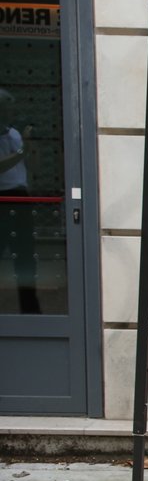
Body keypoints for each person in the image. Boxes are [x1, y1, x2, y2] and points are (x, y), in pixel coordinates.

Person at [0, 88, 41, 313]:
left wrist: (31, 145)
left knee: (25, 258)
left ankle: (30, 310)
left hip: (21, 198)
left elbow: (33, 166)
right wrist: (22, 151)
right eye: (5, 108)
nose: (9, 113)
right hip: (2, 198)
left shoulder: (15, 134)